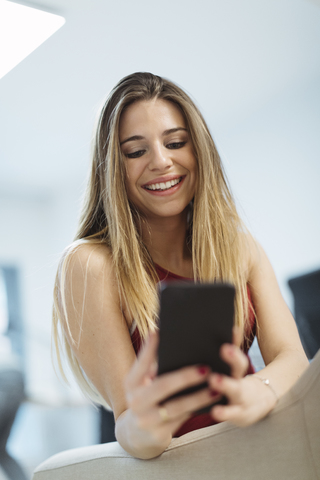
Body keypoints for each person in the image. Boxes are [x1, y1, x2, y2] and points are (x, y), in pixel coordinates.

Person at [52, 72, 308, 459]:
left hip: (265, 451)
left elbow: (293, 359)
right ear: (112, 168)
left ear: (198, 149)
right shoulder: (90, 265)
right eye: (135, 151)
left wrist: (262, 388)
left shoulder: (239, 247)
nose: (161, 161)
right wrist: (146, 426)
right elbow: (129, 423)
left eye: (175, 143)